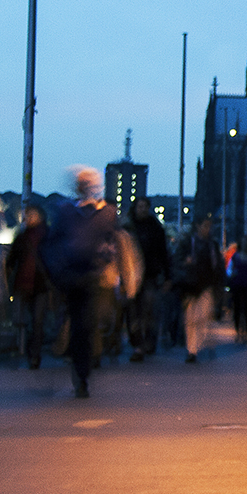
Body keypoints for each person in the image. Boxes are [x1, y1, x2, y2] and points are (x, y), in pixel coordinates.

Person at [41, 166, 119, 398]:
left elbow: (113, 242)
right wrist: (58, 270)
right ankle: (80, 371)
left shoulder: (107, 213)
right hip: (72, 275)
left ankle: (83, 371)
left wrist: (106, 261)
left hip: (94, 276)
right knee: (78, 324)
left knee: (87, 323)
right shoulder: (66, 212)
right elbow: (52, 243)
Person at [123, 197, 170, 362]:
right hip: (131, 275)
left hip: (150, 274)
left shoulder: (155, 228)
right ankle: (138, 343)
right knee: (133, 312)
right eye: (139, 206)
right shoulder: (128, 228)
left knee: (149, 309)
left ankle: (148, 342)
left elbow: (164, 253)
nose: (142, 209)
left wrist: (167, 275)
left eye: (145, 207)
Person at [4, 205, 50, 370]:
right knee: (30, 321)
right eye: (26, 216)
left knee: (36, 321)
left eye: (31, 215)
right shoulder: (22, 238)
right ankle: (30, 353)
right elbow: (11, 260)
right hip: (25, 285)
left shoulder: (46, 236)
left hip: (40, 285)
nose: (28, 218)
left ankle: (34, 355)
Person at [173, 215, 220, 363]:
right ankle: (191, 349)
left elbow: (218, 266)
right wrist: (185, 262)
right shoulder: (188, 243)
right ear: (198, 226)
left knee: (202, 316)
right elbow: (177, 260)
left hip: (207, 284)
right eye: (205, 225)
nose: (207, 229)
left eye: (209, 226)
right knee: (190, 318)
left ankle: (195, 346)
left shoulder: (212, 245)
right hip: (190, 285)